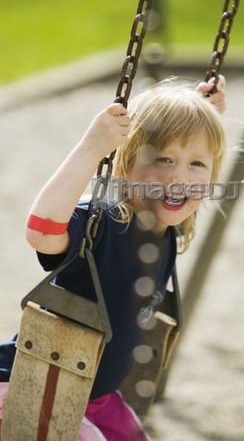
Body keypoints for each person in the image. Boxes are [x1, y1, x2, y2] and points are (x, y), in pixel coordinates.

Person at [0, 75, 226, 440]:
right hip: (40, 386)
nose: (180, 177)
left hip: (99, 397)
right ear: (125, 164)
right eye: (164, 158)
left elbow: (188, 175)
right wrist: (92, 148)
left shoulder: (167, 222)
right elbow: (42, 231)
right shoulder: (104, 222)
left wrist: (207, 112)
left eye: (197, 165)